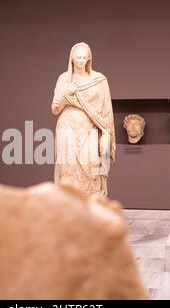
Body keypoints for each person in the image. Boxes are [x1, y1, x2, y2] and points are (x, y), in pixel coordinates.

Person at [51, 42, 115, 197]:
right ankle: (68, 210)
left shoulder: (99, 80)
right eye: (77, 57)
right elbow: (54, 109)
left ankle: (91, 210)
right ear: (71, 58)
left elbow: (106, 110)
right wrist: (67, 93)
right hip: (67, 127)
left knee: (92, 166)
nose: (80, 61)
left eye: (84, 57)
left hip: (90, 126)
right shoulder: (64, 79)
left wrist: (107, 133)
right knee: (68, 169)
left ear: (89, 59)